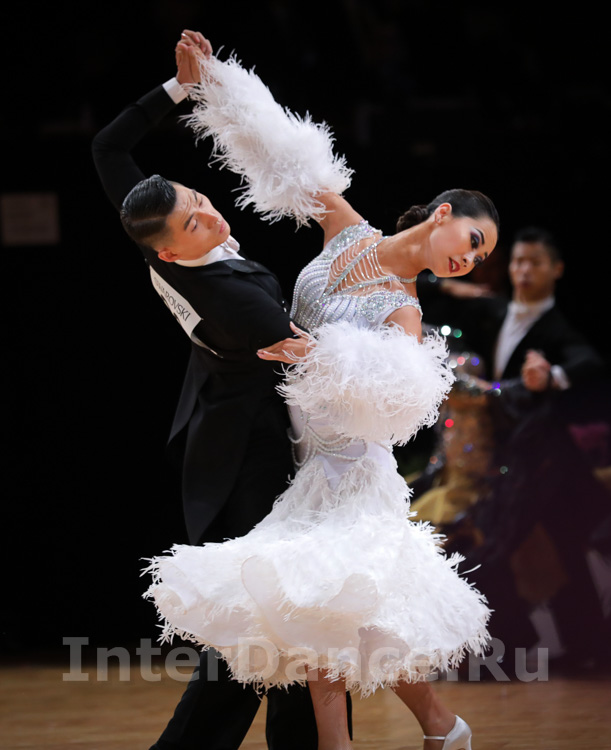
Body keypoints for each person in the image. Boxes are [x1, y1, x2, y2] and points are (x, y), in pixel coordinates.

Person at [145, 35, 498, 750]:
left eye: (480, 255)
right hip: (305, 460)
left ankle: (382, 738)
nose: (470, 257)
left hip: (350, 470)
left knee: (326, 618)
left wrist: (319, 353)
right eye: (471, 238)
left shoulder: (405, 311)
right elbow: (280, 152)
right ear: (441, 214)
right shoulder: (347, 231)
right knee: (337, 621)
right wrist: (214, 86)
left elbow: (396, 405)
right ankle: (441, 728)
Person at [92, 29, 322, 750]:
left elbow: (107, 148)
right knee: (265, 621)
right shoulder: (238, 302)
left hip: (219, 426)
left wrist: (179, 87)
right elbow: (315, 358)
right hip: (252, 453)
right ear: (169, 249)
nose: (212, 214)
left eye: (199, 197)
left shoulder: (149, 220)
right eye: (195, 220)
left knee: (282, 616)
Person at [415, 227, 608, 674]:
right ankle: (573, 646)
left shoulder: (556, 327)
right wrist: (452, 286)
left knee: (527, 547)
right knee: (556, 550)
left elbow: (588, 360)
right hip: (513, 461)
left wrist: (552, 375)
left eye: (534, 262)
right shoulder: (495, 309)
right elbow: (418, 283)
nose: (523, 270)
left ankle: (558, 646)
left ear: (556, 269)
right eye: (518, 261)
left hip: (544, 461)